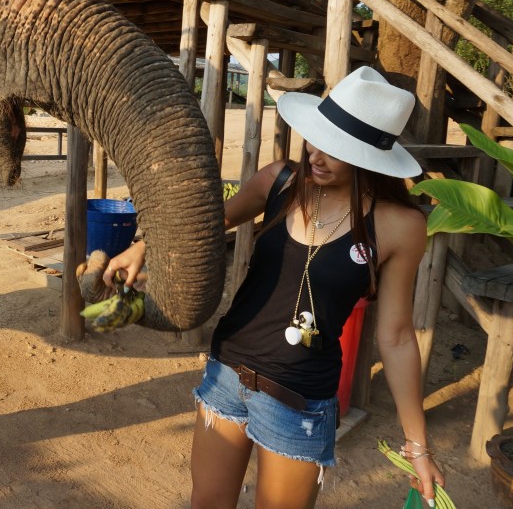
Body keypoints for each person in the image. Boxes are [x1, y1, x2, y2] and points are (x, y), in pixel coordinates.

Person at [102, 67, 446, 509]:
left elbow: (396, 337)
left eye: (336, 150)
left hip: (298, 399)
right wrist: (142, 248)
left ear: (369, 159)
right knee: (206, 502)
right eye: (315, 137)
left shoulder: (401, 226)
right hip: (227, 375)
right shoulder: (281, 180)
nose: (316, 155)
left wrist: (418, 446)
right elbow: (207, 221)